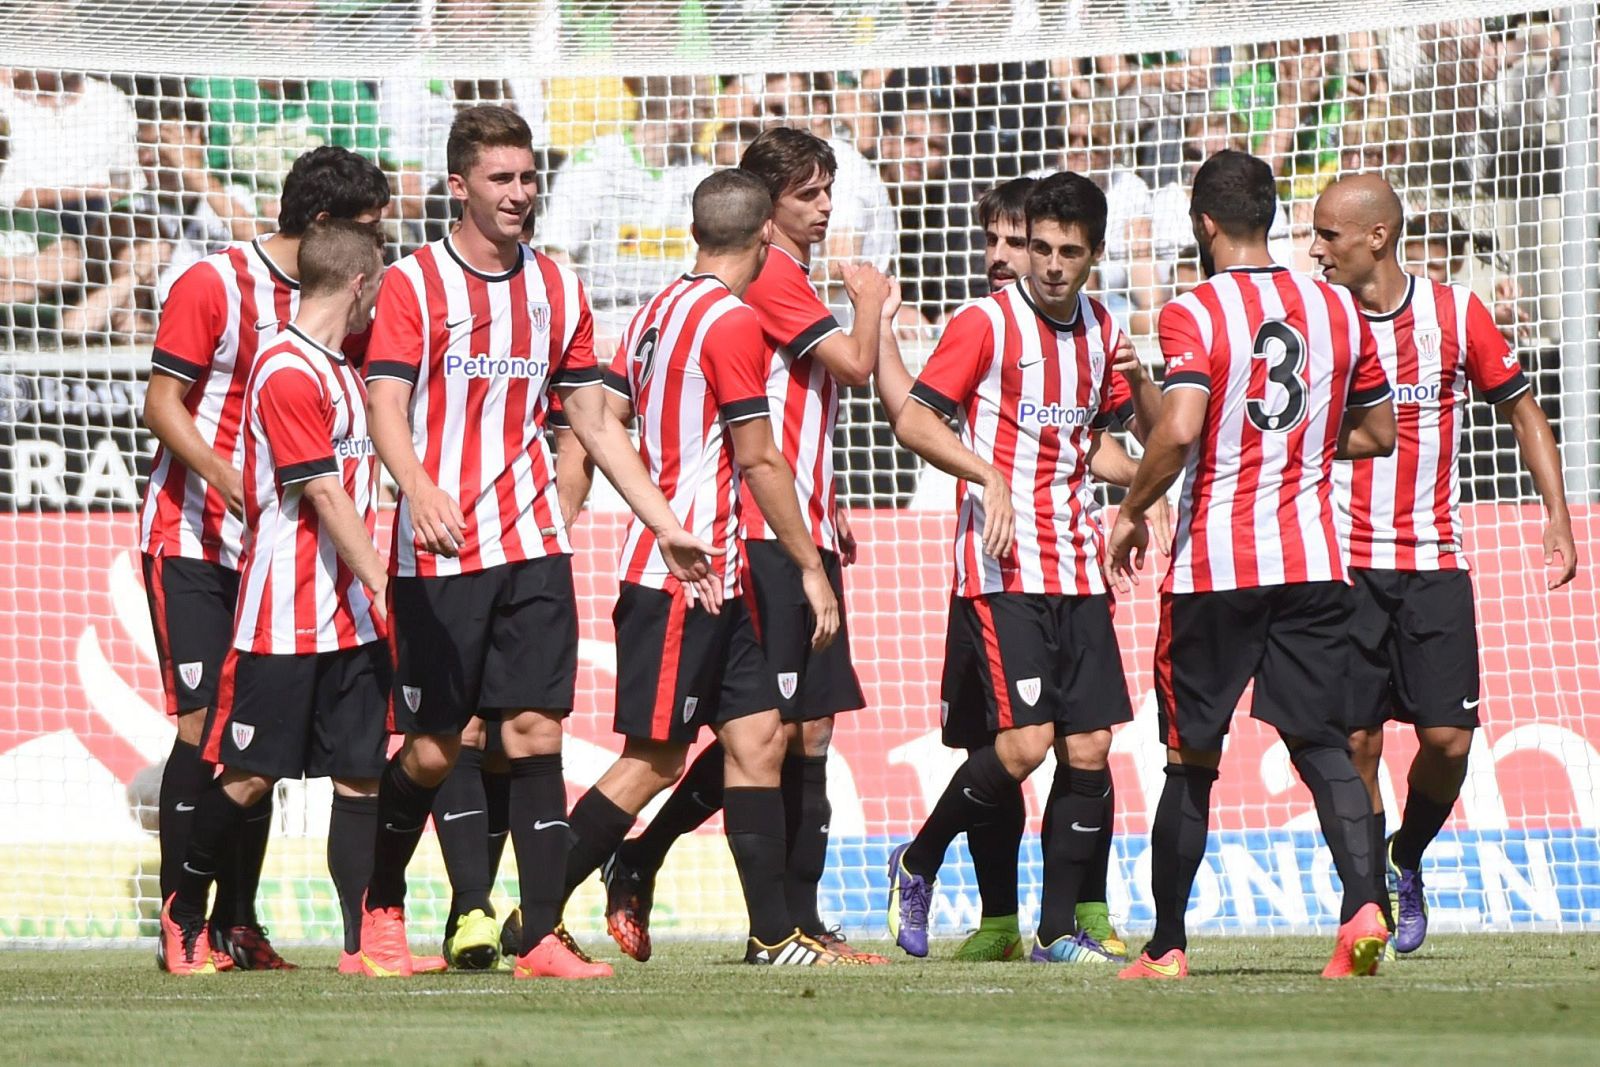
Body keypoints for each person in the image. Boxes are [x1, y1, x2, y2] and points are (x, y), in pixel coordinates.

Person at [354, 105, 720, 981]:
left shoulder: (556, 286)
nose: (519, 194)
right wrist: (420, 486)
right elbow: (383, 405)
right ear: (458, 186)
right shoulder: (413, 285)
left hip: (532, 540)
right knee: (438, 746)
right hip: (440, 548)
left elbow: (590, 417)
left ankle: (542, 933)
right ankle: (379, 904)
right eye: (501, 179)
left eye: (527, 178)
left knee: (533, 729)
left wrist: (662, 520)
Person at [553, 169, 859, 967]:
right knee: (651, 759)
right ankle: (533, 918)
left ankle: (771, 936)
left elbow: (602, 420)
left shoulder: (657, 308)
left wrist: (577, 504)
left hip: (717, 573)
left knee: (757, 737)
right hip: (683, 577)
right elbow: (759, 460)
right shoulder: (730, 325)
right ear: (765, 238)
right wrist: (811, 566)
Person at [1106, 149, 1397, 980]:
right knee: (1325, 745)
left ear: (1204, 224)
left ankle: (1166, 946)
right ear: (1272, 218)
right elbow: (1378, 434)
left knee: (1190, 759)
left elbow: (1184, 424)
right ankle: (1363, 905)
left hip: (1215, 570)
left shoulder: (1193, 310)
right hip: (1312, 558)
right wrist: (1292, 445)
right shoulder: (1336, 307)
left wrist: (1130, 512)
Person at [873, 174, 1162, 962]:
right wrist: (986, 472)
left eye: (1070, 252)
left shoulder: (1104, 330)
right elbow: (916, 421)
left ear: (1094, 255)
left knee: (1091, 746)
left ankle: (1058, 931)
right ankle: (919, 858)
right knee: (1027, 742)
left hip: (1079, 564)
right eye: (1041, 247)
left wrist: (1140, 487)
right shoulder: (985, 323)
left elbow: (1092, 444)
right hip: (1004, 567)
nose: (1053, 265)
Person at [138, 145, 391, 973]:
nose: (376, 246)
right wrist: (226, 476)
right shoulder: (216, 283)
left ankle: (237, 920)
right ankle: (184, 916)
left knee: (279, 751)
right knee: (205, 727)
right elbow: (160, 402)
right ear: (326, 227)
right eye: (367, 230)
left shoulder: (337, 315)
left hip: (294, 559)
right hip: (197, 537)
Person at [1310, 174, 1576, 955]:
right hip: (1342, 563)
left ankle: (1404, 857)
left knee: (1450, 739)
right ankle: (1366, 892)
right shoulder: (1316, 321)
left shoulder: (1455, 314)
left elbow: (1523, 408)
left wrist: (1555, 513)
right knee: (1355, 743)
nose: (1316, 248)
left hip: (1432, 562)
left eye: (1329, 233)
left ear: (1377, 238)